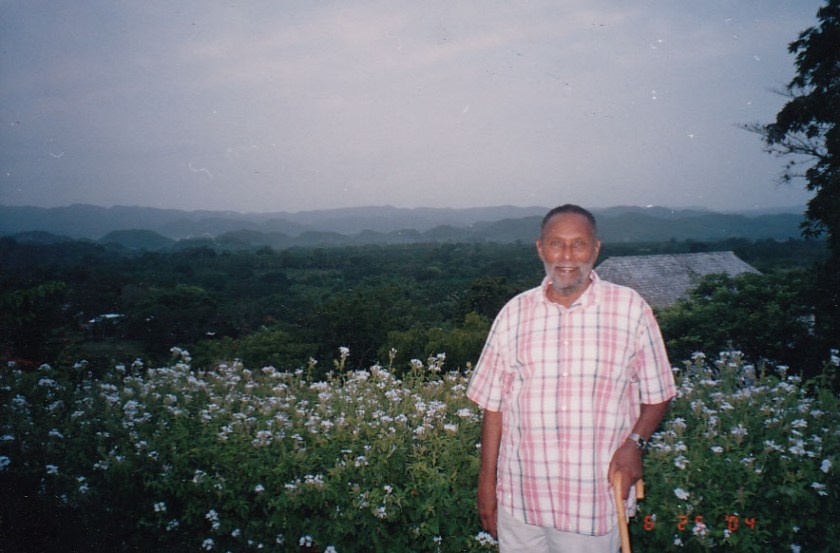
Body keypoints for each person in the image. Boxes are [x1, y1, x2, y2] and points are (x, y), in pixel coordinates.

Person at [466, 204, 676, 552]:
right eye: (556, 244)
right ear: (540, 248)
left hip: (592, 502)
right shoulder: (513, 314)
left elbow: (659, 394)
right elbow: (494, 408)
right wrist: (486, 485)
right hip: (521, 500)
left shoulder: (630, 309)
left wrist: (633, 445)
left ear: (595, 249)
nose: (566, 256)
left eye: (578, 245)